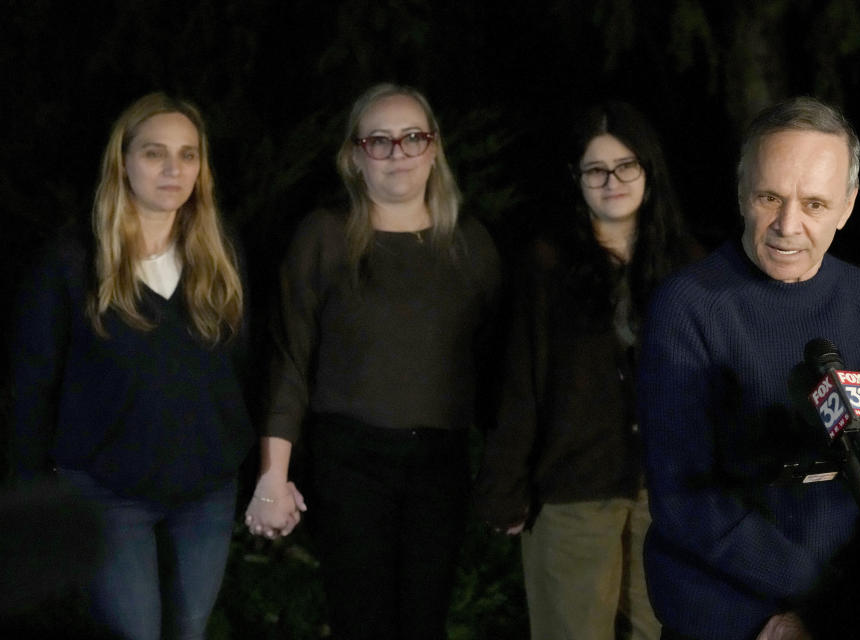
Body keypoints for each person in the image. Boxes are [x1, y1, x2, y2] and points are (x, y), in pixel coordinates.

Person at [636, 96, 860, 640]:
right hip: (731, 617)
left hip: (856, 610)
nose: (787, 225)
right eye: (771, 197)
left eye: (814, 204)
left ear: (847, 206)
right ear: (742, 191)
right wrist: (812, 601)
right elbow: (684, 497)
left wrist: (857, 603)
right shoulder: (687, 307)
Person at [243, 83, 500, 640]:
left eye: (412, 138)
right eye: (379, 141)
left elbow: (501, 368)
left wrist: (512, 471)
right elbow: (289, 358)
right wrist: (273, 477)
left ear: (434, 150)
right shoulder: (325, 237)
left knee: (424, 622)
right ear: (355, 156)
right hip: (349, 462)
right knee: (360, 622)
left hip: (439, 465)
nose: (398, 153)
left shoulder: (470, 245)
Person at [9, 92, 252, 640]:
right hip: (107, 491)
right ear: (123, 161)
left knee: (189, 629)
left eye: (188, 155)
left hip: (206, 490)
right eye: (154, 153)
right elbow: (34, 383)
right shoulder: (72, 261)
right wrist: (32, 499)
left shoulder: (222, 255)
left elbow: (239, 369)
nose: (174, 169)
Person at [475, 101, 691, 640]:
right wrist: (505, 486)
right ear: (577, 179)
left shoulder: (687, 267)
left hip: (662, 496)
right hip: (574, 493)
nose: (612, 181)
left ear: (649, 171)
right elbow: (521, 383)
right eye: (597, 170)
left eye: (625, 166)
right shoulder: (546, 266)